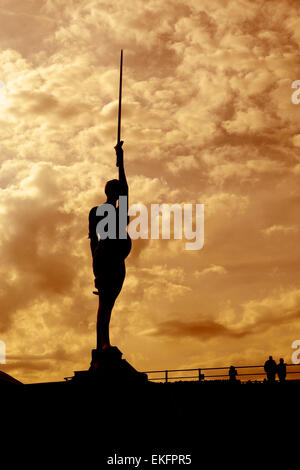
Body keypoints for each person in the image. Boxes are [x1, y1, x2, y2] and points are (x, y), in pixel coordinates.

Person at [88, 141, 131, 352]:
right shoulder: (97, 211)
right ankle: (102, 344)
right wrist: (95, 269)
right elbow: (93, 242)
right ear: (110, 192)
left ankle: (103, 343)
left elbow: (126, 186)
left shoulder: (121, 210)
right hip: (105, 259)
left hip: (118, 261)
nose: (120, 193)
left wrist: (120, 159)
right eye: (117, 191)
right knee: (104, 304)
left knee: (109, 303)